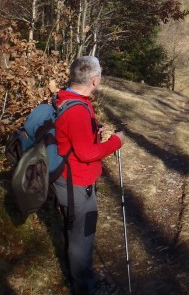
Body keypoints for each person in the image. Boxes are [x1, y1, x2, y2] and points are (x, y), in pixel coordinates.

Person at [53, 56, 124, 295]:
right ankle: (85, 287)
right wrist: (115, 142)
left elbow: (74, 139)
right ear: (94, 80)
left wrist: (95, 131)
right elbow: (86, 153)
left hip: (68, 178)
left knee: (76, 232)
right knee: (82, 237)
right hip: (77, 183)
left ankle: (83, 277)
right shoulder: (78, 111)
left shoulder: (67, 98)